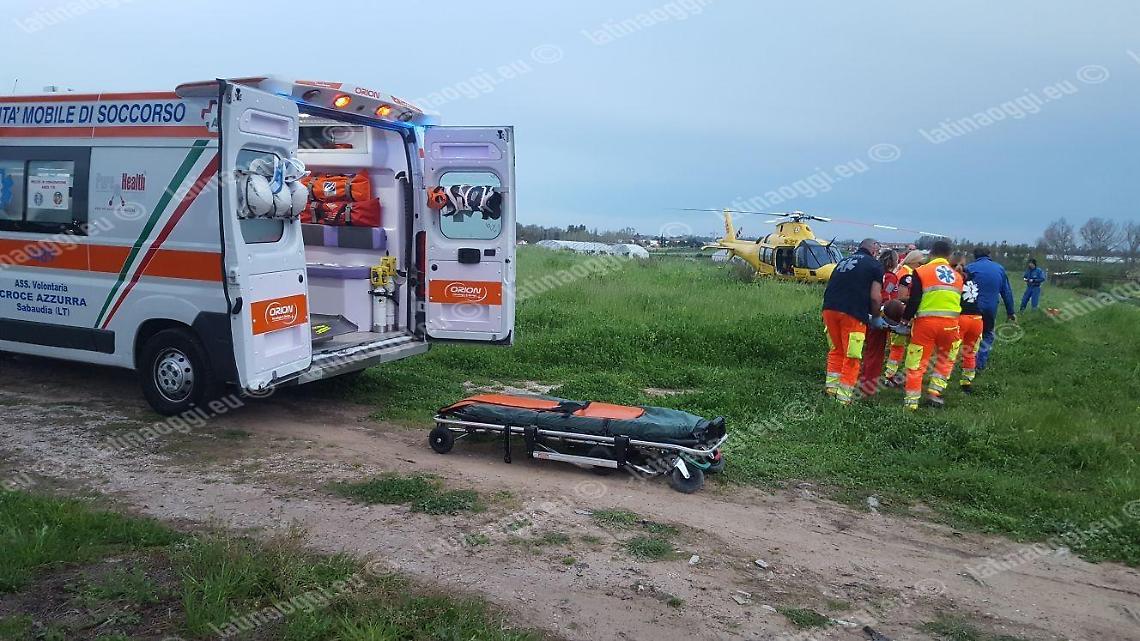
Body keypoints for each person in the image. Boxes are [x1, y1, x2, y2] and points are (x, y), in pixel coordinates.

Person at [822, 238, 885, 406]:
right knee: (852, 356)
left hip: (829, 309)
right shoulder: (874, 265)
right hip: (853, 313)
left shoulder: (843, 260)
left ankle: (831, 389)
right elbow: (875, 296)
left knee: (836, 350)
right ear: (873, 249)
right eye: (877, 251)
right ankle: (844, 398)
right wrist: (876, 316)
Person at [902, 240, 964, 410]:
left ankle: (911, 402)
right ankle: (934, 393)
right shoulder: (957, 276)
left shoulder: (921, 271)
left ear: (931, 253)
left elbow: (914, 299)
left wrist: (905, 319)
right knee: (945, 360)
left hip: (926, 324)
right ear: (949, 255)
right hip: (951, 325)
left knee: (917, 362)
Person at [964, 247, 1016, 371]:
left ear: (975, 256)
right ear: (989, 255)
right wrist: (1011, 312)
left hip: (972, 308)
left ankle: (966, 362)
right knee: (987, 334)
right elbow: (1007, 292)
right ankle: (979, 364)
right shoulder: (999, 269)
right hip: (990, 309)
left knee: (970, 336)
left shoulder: (969, 268)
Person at [858, 249, 900, 396]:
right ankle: (868, 385)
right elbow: (886, 296)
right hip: (880, 315)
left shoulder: (875, 273)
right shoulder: (890, 277)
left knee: (866, 350)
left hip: (867, 313)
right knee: (875, 352)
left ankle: (861, 378)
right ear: (893, 262)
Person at [883, 249, 927, 385]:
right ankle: (901, 375)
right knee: (904, 347)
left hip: (898, 312)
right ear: (915, 262)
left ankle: (891, 374)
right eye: (921, 263)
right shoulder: (908, 275)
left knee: (899, 347)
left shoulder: (903, 271)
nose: (922, 265)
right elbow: (901, 297)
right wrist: (920, 298)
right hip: (903, 314)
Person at [955, 261, 984, 393]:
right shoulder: (974, 282)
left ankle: (939, 382)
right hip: (977, 319)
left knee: (950, 352)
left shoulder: (956, 282)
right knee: (970, 352)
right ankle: (967, 382)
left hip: (962, 317)